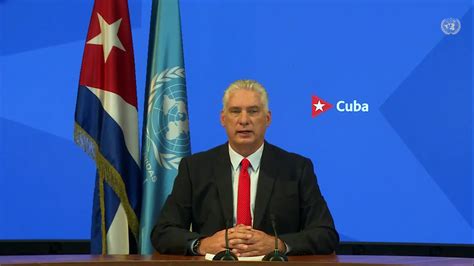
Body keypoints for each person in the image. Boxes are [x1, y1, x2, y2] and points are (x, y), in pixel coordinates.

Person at [151, 80, 339, 256]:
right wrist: (203, 244)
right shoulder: (195, 168)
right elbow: (163, 232)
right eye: (235, 111)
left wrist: (278, 244)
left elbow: (325, 234)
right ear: (223, 119)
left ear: (267, 118)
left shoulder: (296, 169)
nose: (243, 120)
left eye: (253, 111)